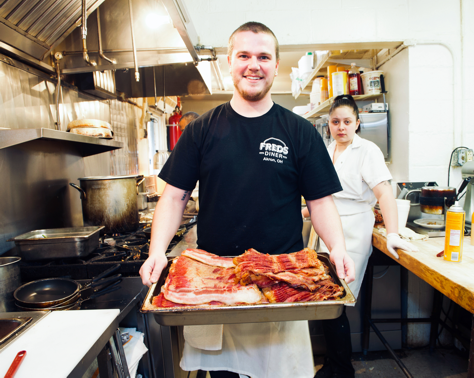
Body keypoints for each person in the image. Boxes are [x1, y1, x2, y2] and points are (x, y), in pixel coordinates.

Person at [139, 22, 355, 378]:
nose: (253, 65)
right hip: (214, 284)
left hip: (281, 284)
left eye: (263, 56)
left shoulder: (298, 131)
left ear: (276, 65)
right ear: (229, 61)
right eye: (244, 55)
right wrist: (157, 251)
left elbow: (320, 202)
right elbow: (174, 197)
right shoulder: (201, 130)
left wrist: (339, 248)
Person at [302, 95, 418, 378]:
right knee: (324, 299)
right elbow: (322, 196)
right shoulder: (327, 149)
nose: (341, 127)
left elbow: (385, 194)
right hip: (324, 227)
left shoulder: (368, 151)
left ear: (357, 123)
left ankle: (342, 370)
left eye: (347, 122)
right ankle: (333, 364)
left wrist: (393, 233)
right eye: (335, 122)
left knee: (337, 301)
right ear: (328, 124)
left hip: (353, 229)